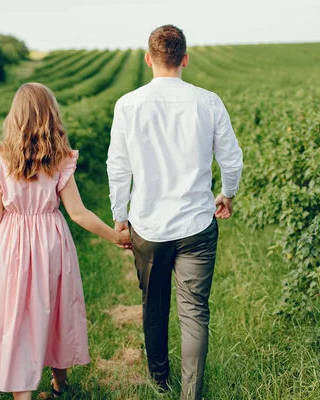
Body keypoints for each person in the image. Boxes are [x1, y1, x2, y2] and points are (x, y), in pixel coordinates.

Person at [107, 25, 243, 400]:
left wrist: (121, 215)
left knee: (154, 306)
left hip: (148, 226)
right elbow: (231, 158)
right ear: (185, 59)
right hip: (197, 223)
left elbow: (118, 167)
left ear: (149, 59)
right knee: (194, 311)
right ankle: (190, 394)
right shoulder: (208, 101)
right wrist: (227, 194)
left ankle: (159, 379)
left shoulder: (128, 105)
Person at [0, 82, 131, 400]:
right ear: (51, 115)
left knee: (17, 315)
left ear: (15, 115)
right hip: (50, 240)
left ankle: (23, 394)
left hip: (12, 243)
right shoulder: (58, 158)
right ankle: (59, 382)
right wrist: (115, 236)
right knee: (56, 308)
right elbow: (78, 213)